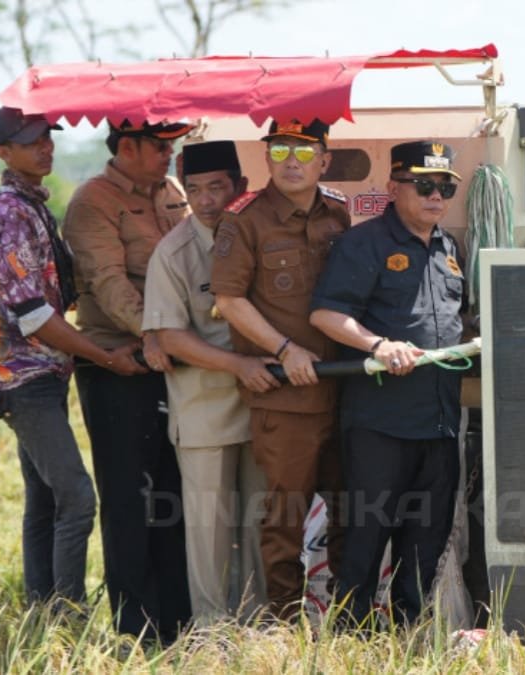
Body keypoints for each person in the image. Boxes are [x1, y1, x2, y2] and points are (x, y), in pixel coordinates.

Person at [0, 106, 144, 609]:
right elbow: (33, 317)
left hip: (42, 372)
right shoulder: (10, 214)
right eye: (31, 142)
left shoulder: (32, 205)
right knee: (76, 498)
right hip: (26, 377)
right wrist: (105, 356)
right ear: (4, 153)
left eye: (47, 138)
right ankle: (68, 615)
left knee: (45, 501)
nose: (45, 148)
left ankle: (41, 612)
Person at [310, 140, 466, 626]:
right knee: (364, 541)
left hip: (439, 423)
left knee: (425, 544)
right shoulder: (364, 243)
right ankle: (349, 640)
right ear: (393, 187)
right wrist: (378, 346)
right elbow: (326, 315)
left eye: (445, 188)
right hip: (381, 425)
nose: (436, 196)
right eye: (424, 185)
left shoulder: (448, 248)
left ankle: (408, 638)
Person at [209, 118, 349, 621]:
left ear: (324, 161)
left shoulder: (339, 212)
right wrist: (285, 349)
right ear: (266, 158)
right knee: (287, 517)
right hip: (287, 398)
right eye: (281, 150)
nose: (292, 162)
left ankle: (346, 619)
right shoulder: (244, 220)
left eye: (305, 152)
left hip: (345, 389)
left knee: (351, 510)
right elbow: (229, 299)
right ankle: (286, 625)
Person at [62, 119, 194, 642]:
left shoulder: (173, 190)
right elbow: (108, 281)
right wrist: (156, 334)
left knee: (173, 493)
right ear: (127, 147)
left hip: (174, 358)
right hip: (118, 362)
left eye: (172, 145)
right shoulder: (93, 201)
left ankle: (178, 622)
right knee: (128, 500)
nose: (169, 153)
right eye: (160, 146)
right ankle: (134, 629)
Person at [143, 139, 276, 623]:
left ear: (240, 186)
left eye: (216, 187)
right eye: (194, 189)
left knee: (260, 523)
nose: (204, 201)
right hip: (204, 408)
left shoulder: (262, 234)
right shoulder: (174, 252)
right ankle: (212, 632)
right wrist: (239, 365)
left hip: (263, 405)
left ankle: (258, 626)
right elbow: (170, 337)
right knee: (209, 532)